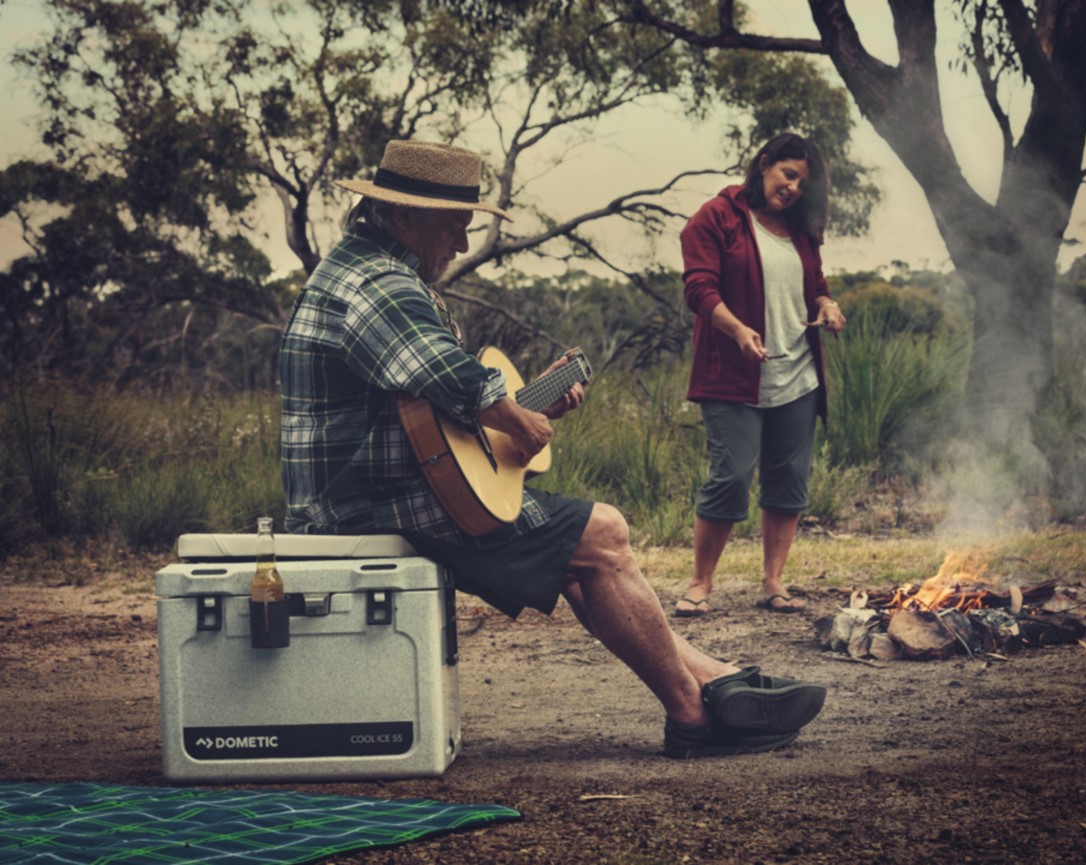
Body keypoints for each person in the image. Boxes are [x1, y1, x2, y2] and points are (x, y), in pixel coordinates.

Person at [279, 138, 826, 758]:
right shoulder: (376, 282)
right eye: (455, 228)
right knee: (603, 534)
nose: (461, 244)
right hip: (367, 503)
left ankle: (714, 678)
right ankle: (694, 713)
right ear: (404, 217)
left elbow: (423, 410)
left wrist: (525, 406)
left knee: (578, 557)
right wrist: (519, 418)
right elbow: (451, 376)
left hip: (397, 485)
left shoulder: (369, 269)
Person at [674, 133, 847, 619]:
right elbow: (698, 288)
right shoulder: (718, 216)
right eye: (787, 174)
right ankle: (700, 582)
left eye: (801, 183)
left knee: (788, 478)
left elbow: (815, 284)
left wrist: (827, 305)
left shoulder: (800, 229)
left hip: (798, 374)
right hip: (733, 373)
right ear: (764, 164)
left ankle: (773, 582)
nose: (793, 188)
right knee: (730, 476)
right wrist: (736, 330)